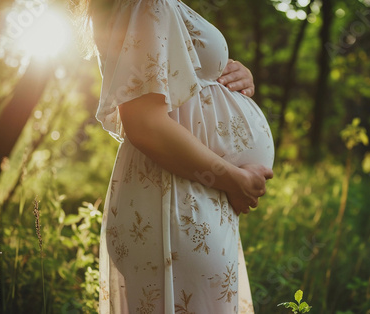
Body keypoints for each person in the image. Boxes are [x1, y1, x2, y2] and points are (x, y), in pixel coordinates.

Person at [78, 0, 275, 312]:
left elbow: (181, 79)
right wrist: (234, 178)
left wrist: (233, 74)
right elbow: (144, 124)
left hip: (186, 194)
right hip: (174, 198)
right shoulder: (143, 3)